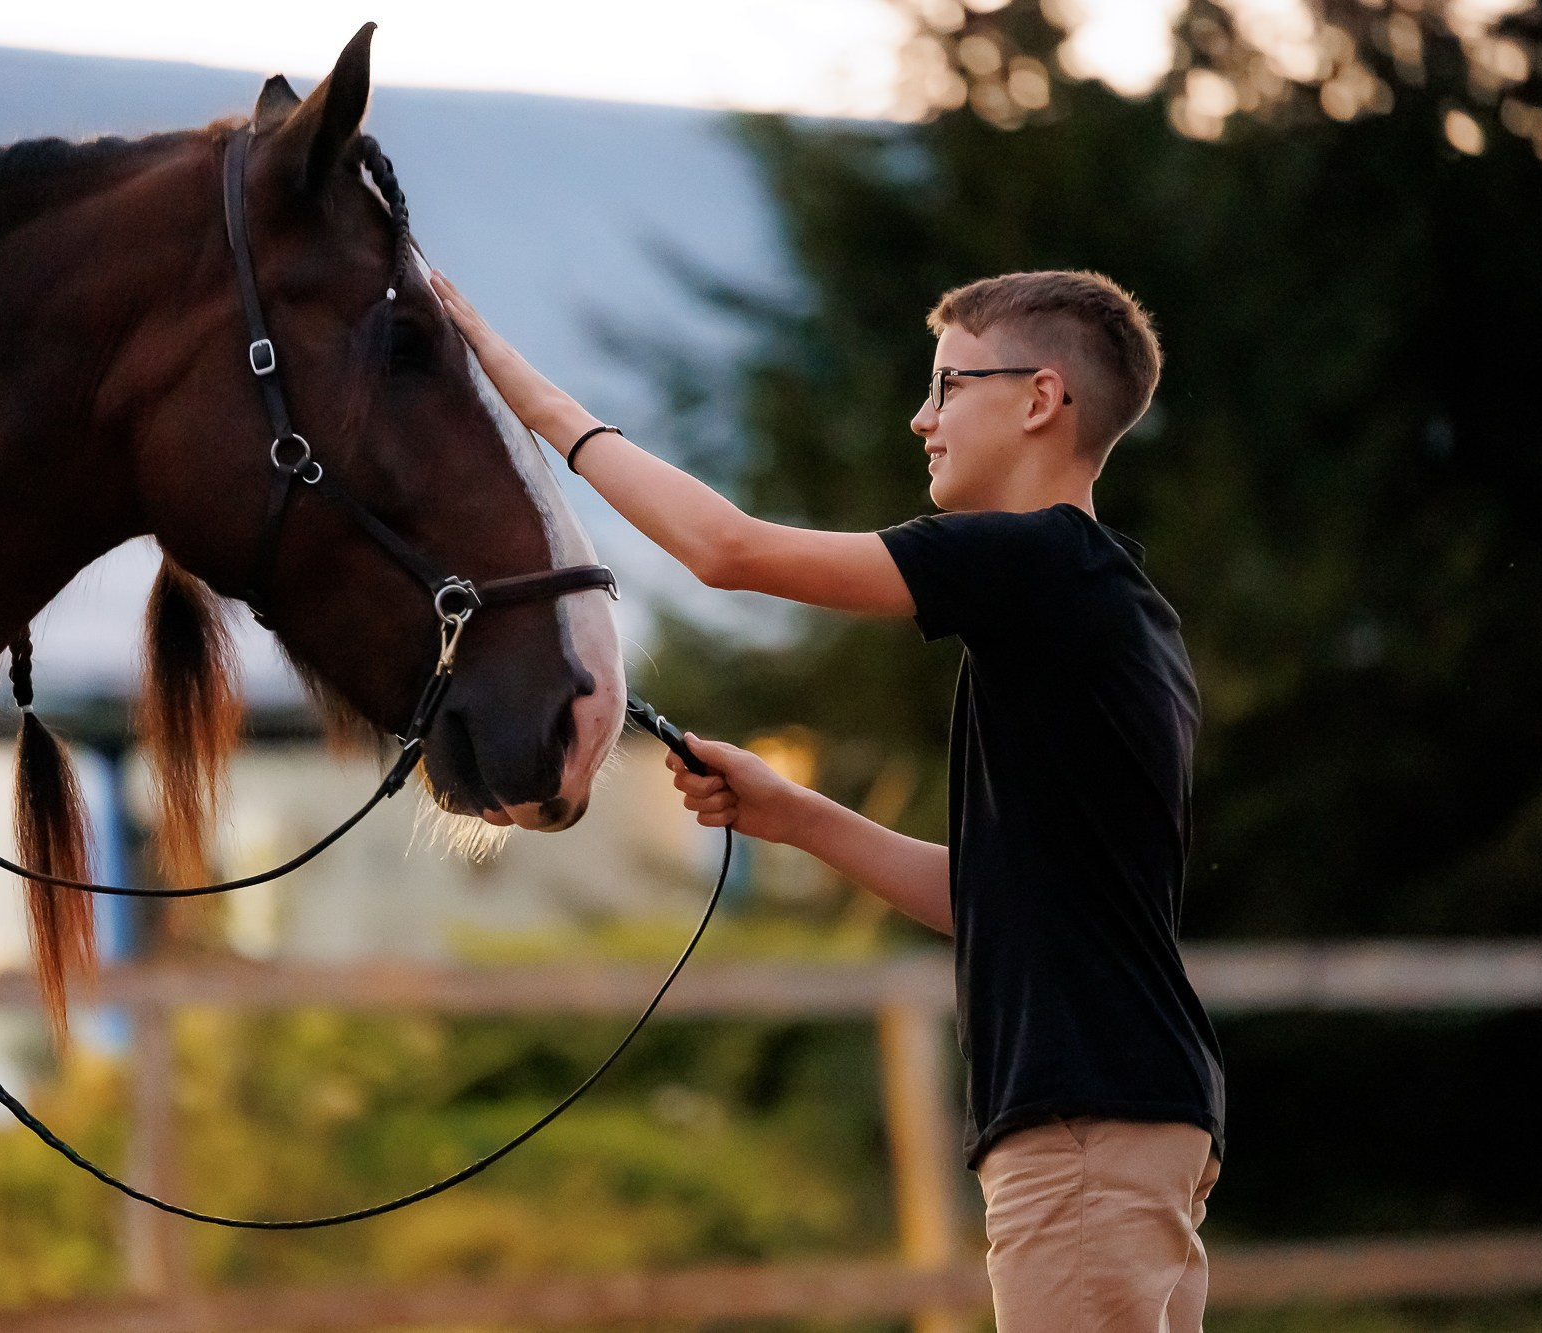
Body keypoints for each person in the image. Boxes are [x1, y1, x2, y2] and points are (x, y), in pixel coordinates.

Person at [435, 268, 1225, 1331]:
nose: (921, 418)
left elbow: (728, 551)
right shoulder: (1112, 610)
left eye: (948, 386)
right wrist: (790, 813)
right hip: (1140, 1117)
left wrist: (519, 393)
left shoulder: (1035, 563)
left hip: (1082, 1123)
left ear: (1039, 399)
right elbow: (996, 897)